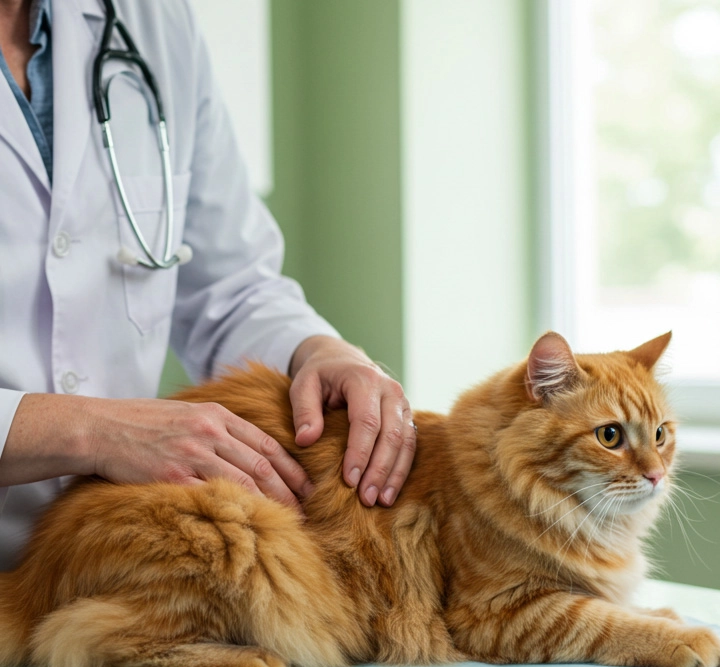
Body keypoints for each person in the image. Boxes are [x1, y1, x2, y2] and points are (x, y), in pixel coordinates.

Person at [0, 0, 416, 569]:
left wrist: (318, 352)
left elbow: (231, 285)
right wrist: (89, 431)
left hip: (105, 560)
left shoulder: (150, 19)